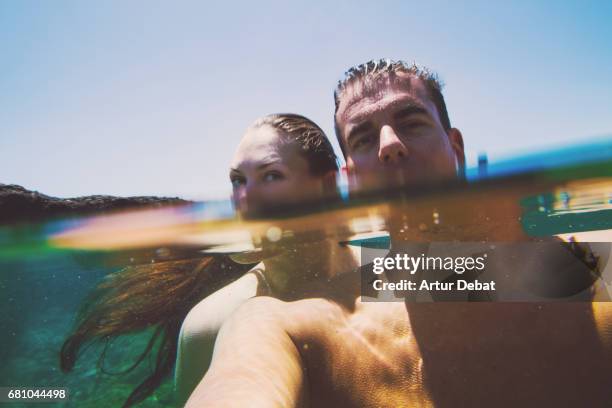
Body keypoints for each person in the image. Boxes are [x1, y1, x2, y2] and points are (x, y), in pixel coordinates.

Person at [187, 59, 612, 407]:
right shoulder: (294, 324)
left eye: (411, 122)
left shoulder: (584, 273)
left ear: (457, 150)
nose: (390, 144)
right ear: (350, 180)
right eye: (364, 138)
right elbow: (242, 378)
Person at [174, 113, 358, 405]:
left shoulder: (390, 275)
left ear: (327, 187)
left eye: (271, 176)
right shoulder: (210, 324)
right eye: (237, 180)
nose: (244, 200)